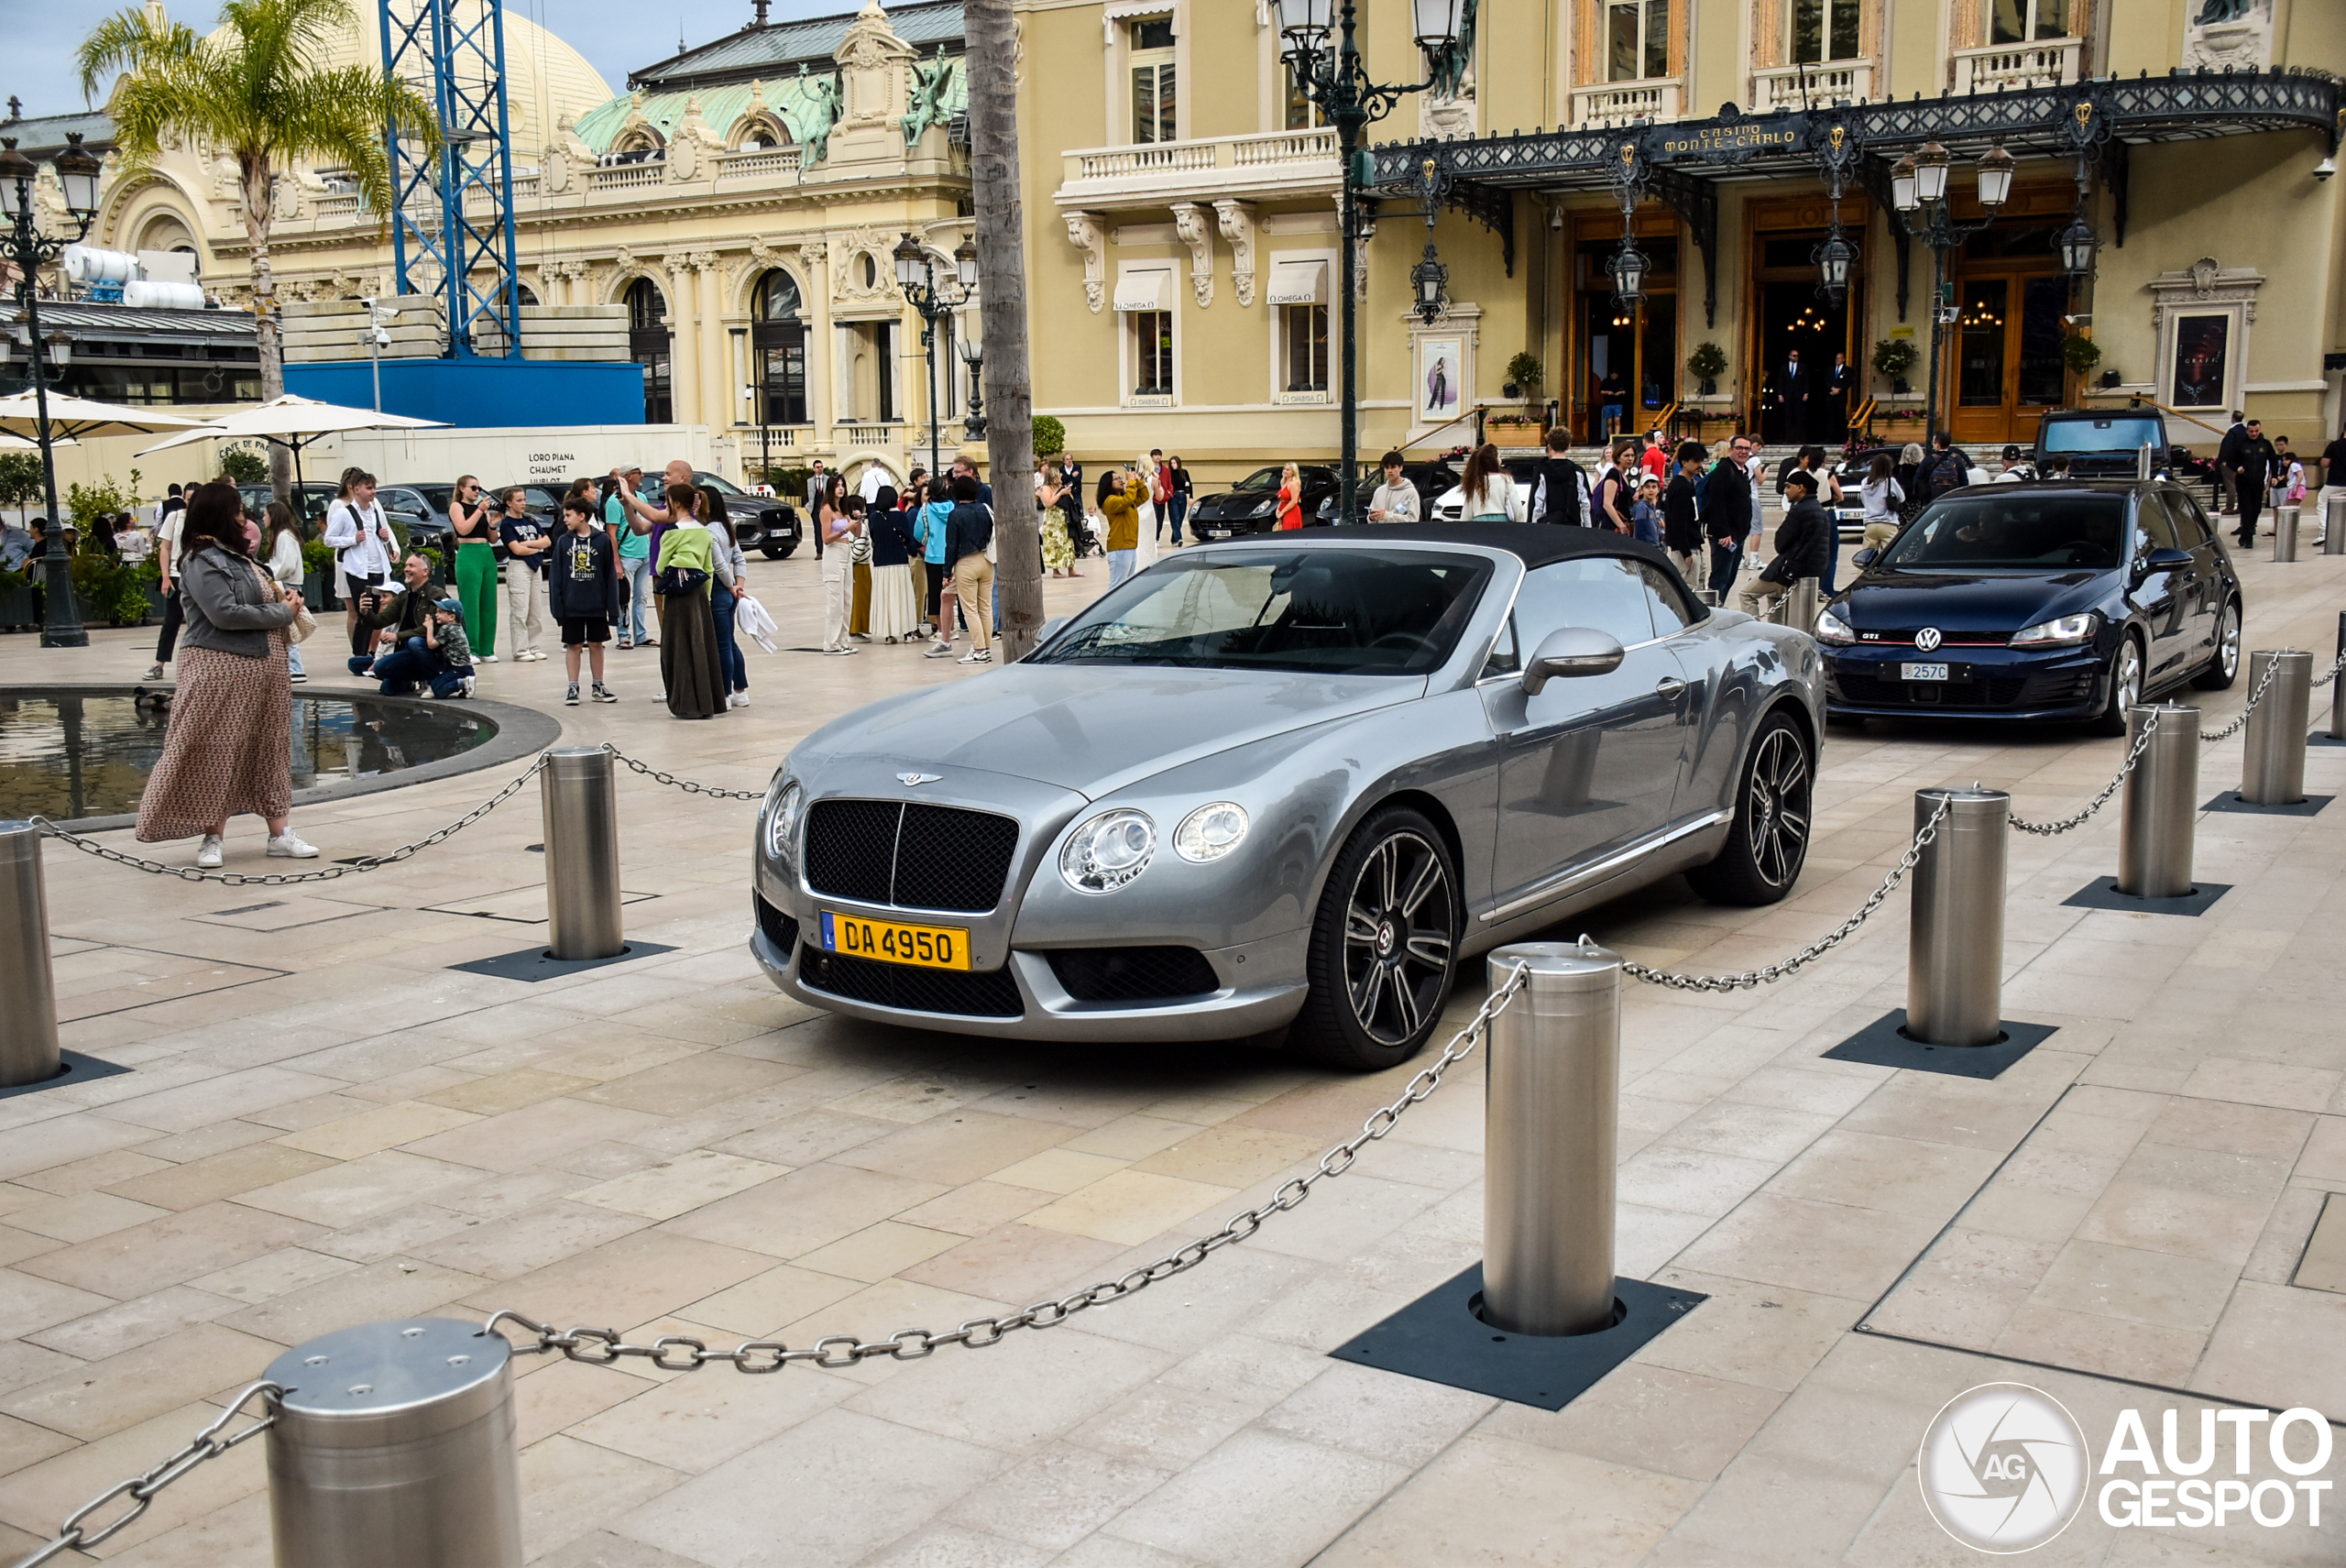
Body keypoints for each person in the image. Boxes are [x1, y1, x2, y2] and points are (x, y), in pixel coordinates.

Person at [136, 480, 313, 868]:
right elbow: (224, 613)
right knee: (213, 752)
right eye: (236, 509)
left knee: (270, 749)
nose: (244, 517)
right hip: (219, 668)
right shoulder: (200, 559)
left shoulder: (240, 557)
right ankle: (211, 837)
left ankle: (280, 833)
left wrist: (284, 604)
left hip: (265, 668)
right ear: (219, 514)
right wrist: (283, 612)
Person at [655, 483, 728, 715]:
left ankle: (685, 703)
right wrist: (705, 598)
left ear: (676, 504)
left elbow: (659, 567)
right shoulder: (704, 531)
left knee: (677, 649)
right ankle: (709, 702)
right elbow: (709, 568)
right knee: (701, 647)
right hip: (698, 593)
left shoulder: (672, 533)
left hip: (678, 594)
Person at [546, 496, 621, 705]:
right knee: (574, 645)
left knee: (597, 644)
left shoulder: (603, 540)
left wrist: (612, 609)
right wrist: (558, 608)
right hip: (572, 606)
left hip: (596, 604)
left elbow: (609, 576)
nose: (565, 520)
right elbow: (556, 577)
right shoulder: (563, 542)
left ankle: (598, 685)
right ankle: (573, 686)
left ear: (582, 516)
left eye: (568, 515)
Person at [323, 466, 396, 659]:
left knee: (376, 612)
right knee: (363, 611)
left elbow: (380, 538)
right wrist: (352, 540)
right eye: (369, 488)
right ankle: (359, 655)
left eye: (373, 488)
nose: (373, 492)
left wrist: (386, 539)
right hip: (357, 570)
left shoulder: (375, 512)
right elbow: (329, 539)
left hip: (378, 567)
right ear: (356, 489)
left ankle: (372, 652)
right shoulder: (344, 513)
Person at [1740, 469, 1830, 618]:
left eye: (1789, 486)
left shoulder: (1800, 510)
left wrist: (1789, 571)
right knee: (1774, 596)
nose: (1785, 491)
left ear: (1800, 488)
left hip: (1792, 570)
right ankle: (1777, 631)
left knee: (1747, 593)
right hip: (1812, 570)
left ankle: (1754, 632)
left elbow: (1781, 543)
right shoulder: (1818, 509)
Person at [352, 552, 440, 689]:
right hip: (404, 651)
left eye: (411, 566)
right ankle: (409, 679)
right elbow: (379, 621)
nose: (406, 569)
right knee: (383, 681)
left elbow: (432, 628)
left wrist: (397, 636)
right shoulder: (404, 596)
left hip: (429, 650)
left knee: (414, 642)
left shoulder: (435, 594)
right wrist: (365, 612)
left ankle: (433, 680)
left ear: (425, 571)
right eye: (406, 566)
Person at [699, 483, 751, 707]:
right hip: (730, 591)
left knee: (722, 644)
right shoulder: (725, 527)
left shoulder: (709, 530)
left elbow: (719, 564)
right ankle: (740, 690)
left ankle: (725, 693)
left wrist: (730, 586)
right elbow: (739, 559)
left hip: (719, 589)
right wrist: (739, 586)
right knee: (729, 642)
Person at [444, 474, 499, 663]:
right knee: (471, 603)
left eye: (478, 488)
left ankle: (486, 648)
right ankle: (471, 648)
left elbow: (493, 538)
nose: (477, 491)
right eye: (473, 488)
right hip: (468, 552)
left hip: (485, 552)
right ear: (462, 489)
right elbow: (463, 529)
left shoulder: (482, 510)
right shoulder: (457, 507)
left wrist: (492, 523)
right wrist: (479, 510)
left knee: (488, 602)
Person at [492, 487, 550, 661]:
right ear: (509, 503)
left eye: (524, 499)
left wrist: (529, 545)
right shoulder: (508, 524)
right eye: (519, 500)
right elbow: (515, 548)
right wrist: (536, 547)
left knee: (535, 610)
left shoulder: (531, 520)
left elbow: (547, 541)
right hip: (519, 568)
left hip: (535, 567)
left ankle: (534, 646)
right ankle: (520, 650)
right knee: (520, 610)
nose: (523, 503)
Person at [944, 474, 995, 665]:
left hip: (966, 562)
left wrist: (946, 572)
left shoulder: (955, 514)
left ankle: (979, 650)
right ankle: (986, 648)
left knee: (970, 609)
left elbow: (951, 545)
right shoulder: (985, 509)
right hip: (987, 560)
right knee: (985, 607)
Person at [142, 489, 191, 681]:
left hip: (198, 573)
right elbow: (165, 547)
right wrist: (165, 576)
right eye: (189, 499)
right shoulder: (175, 517)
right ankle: (159, 663)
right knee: (172, 620)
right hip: (177, 574)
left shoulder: (205, 519)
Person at [1705, 434, 1757, 599]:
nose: (1743, 452)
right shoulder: (1724, 470)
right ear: (1731, 450)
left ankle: (1720, 606)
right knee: (1720, 578)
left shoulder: (1742, 471)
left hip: (1738, 535)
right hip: (1725, 536)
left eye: (1747, 448)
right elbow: (1717, 502)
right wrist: (1723, 532)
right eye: (1739, 448)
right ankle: (1714, 610)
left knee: (1730, 578)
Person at [607, 466, 652, 649]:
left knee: (641, 597)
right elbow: (612, 532)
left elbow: (647, 525)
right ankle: (624, 636)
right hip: (627, 556)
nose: (642, 475)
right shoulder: (614, 501)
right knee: (625, 598)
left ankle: (641, 635)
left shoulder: (641, 498)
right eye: (638, 472)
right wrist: (616, 562)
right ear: (629, 476)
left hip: (644, 555)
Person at [262, 500, 308, 685]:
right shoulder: (286, 535)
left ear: (273, 517)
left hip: (287, 585)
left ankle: (295, 668)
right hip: (289, 583)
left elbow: (287, 564)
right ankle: (290, 667)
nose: (263, 518)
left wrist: (269, 573)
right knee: (285, 627)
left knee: (287, 627)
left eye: (266, 514)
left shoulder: (284, 536)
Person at [868, 485, 921, 642]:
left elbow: (874, 538)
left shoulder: (873, 518)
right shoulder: (900, 516)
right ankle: (906, 632)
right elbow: (908, 538)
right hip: (899, 560)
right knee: (902, 596)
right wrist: (913, 550)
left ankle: (888, 633)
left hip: (880, 562)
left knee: (884, 598)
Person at [819, 474, 861, 655]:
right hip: (834, 552)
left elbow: (857, 533)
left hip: (846, 552)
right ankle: (831, 643)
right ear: (831, 488)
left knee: (847, 599)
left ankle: (843, 641)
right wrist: (845, 529)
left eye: (843, 485)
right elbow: (826, 539)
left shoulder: (843, 509)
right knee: (835, 601)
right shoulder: (826, 510)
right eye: (837, 485)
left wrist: (856, 520)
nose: (841, 488)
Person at [2227, 417, 2275, 548]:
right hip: (2243, 482)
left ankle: (2245, 532)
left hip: (2258, 482)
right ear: (2247, 431)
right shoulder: (2240, 444)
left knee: (2257, 509)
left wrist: (2274, 476)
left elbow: (2273, 461)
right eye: (2251, 431)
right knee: (2246, 510)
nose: (2254, 434)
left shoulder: (2265, 444)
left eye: (2256, 431)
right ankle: (2248, 539)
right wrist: (2237, 468)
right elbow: (2230, 461)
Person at [1529, 426, 1590, 528]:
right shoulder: (1577, 471)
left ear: (1550, 447)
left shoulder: (1541, 471)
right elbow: (1585, 503)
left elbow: (1537, 504)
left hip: (1549, 525)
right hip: (1573, 526)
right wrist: (1588, 528)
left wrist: (1534, 528)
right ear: (1568, 446)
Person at [1662, 442, 1704, 578]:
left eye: (1702, 461)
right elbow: (1678, 522)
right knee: (1686, 591)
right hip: (1684, 550)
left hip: (1691, 545)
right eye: (1696, 461)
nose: (1700, 465)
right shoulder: (1681, 487)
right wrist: (1686, 552)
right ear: (1684, 462)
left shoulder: (1688, 484)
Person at [1101, 466, 1143, 587]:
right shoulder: (1110, 500)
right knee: (1116, 587)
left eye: (1120, 477)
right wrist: (1131, 483)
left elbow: (1143, 496)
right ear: (1108, 484)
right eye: (1116, 479)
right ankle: (1107, 607)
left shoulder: (1125, 499)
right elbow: (1127, 501)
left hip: (1130, 547)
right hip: (1120, 548)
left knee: (1126, 587)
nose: (1120, 480)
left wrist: (1137, 481)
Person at [1858, 452, 1906, 550]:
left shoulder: (1865, 482)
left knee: (1868, 555)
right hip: (1888, 523)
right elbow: (1902, 498)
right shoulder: (1890, 481)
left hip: (1870, 524)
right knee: (1890, 555)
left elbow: (1863, 499)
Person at [1913, 433, 1973, 507]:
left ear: (1937, 445)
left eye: (1933, 443)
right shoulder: (1957, 460)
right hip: (1953, 500)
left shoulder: (1928, 460)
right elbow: (1964, 482)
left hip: (1933, 501)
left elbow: (1918, 479)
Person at [1038, 466, 1077, 575]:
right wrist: (1060, 493)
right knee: (1054, 544)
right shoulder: (1045, 488)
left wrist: (1068, 493)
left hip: (1064, 520)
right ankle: (1056, 571)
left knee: (1068, 543)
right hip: (1052, 522)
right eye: (1058, 474)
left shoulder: (1060, 486)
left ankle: (1071, 568)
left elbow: (1071, 501)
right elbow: (1049, 503)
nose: (1061, 475)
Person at [1460, 444, 1513, 521]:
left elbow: (1468, 508)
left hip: (1479, 521)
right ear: (1494, 460)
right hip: (1501, 522)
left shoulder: (1475, 480)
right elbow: (1516, 504)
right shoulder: (1505, 479)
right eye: (1499, 457)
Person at [1766, 347, 1809, 444]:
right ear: (1790, 356)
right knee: (1787, 418)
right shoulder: (1784, 367)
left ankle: (1799, 439)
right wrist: (1780, 394)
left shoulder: (1802, 367)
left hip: (1799, 396)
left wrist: (1806, 393)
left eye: (1797, 356)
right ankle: (1787, 439)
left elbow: (1806, 381)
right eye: (1794, 356)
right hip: (1787, 396)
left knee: (1798, 418)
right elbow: (1780, 381)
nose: (1796, 357)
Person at [2315, 422, 2346, 547]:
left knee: (2322, 502)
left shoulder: (2334, 445)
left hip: (2334, 482)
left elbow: (2325, 463)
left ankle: (2324, 530)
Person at [1367, 452, 1420, 524]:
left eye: (1393, 467)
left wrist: (1386, 516)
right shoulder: (1379, 491)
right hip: (1381, 534)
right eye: (1387, 468)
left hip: (1400, 534)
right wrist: (1371, 518)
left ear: (1400, 468)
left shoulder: (1410, 493)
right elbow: (1372, 520)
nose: (1390, 471)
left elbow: (1413, 520)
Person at [2216, 412, 2247, 515]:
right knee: (2240, 485)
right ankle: (2241, 505)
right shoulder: (2245, 431)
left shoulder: (2232, 432)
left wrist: (2224, 460)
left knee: (2231, 484)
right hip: (2242, 462)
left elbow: (2227, 447)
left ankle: (2230, 506)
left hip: (2231, 462)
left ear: (2233, 418)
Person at [1168, 455, 1195, 543]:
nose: (1173, 465)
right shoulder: (1169, 473)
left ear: (1178, 463)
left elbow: (1189, 484)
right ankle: (1179, 538)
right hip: (1173, 496)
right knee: (1175, 518)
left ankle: (1174, 538)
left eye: (1174, 463)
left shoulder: (1184, 472)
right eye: (1171, 463)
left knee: (1180, 518)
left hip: (1182, 495)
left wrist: (1191, 496)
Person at [1630, 476, 1663, 545]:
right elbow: (1640, 531)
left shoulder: (1651, 507)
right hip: (1646, 549)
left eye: (1654, 487)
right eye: (1647, 487)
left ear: (1658, 490)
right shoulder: (1642, 507)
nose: (1651, 490)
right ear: (1641, 490)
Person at [1275, 461, 1306, 531]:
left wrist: (1282, 512)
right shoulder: (1284, 483)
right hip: (1283, 511)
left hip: (1291, 512)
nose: (1285, 471)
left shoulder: (1294, 484)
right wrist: (1278, 509)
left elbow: (1294, 501)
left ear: (1293, 472)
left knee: (1288, 531)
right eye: (1284, 469)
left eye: (1288, 470)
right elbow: (1282, 499)